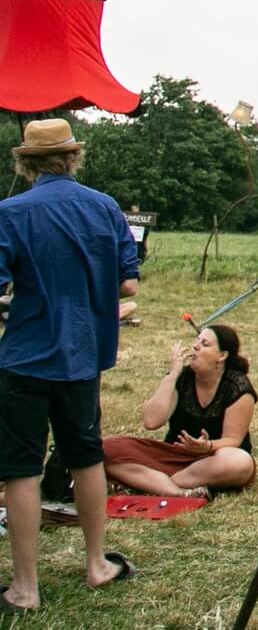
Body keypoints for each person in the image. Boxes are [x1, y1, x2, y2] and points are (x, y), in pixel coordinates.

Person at [0, 119, 139, 610]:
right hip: (83, 355)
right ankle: (98, 563)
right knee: (85, 455)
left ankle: (25, 587)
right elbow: (128, 286)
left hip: (25, 356)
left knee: (20, 466)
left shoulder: (9, 212)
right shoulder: (105, 208)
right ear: (73, 157)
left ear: (26, 162)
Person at [103, 324, 258, 497]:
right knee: (106, 449)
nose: (196, 346)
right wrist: (172, 375)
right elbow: (152, 422)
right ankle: (175, 491)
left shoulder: (237, 386)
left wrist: (207, 446)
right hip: (172, 455)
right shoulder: (182, 378)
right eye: (197, 341)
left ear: (222, 355)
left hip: (212, 459)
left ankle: (153, 484)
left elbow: (233, 440)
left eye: (205, 344)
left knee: (240, 462)